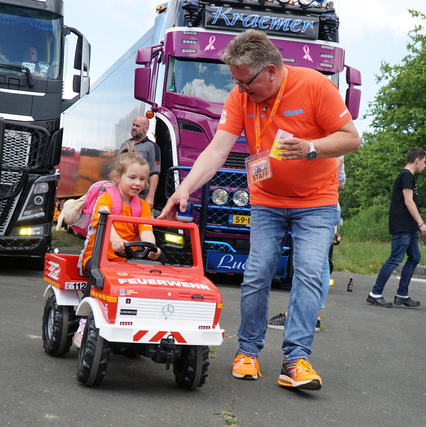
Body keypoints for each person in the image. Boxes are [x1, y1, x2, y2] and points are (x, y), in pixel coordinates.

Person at [158, 29, 360, 391]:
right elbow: (218, 150)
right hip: (267, 199)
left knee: (311, 274)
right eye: (234, 81)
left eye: (245, 81)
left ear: (271, 70)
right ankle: (247, 351)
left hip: (316, 202)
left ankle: (296, 359)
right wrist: (184, 189)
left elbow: (351, 137)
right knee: (256, 273)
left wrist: (312, 148)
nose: (239, 89)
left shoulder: (315, 86)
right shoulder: (241, 97)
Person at [74, 153, 162, 347]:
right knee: (97, 281)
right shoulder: (106, 200)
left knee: (141, 285)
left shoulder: (143, 207)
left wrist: (152, 246)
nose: (137, 183)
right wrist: (115, 240)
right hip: (98, 257)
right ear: (117, 177)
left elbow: (146, 229)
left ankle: (133, 325)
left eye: (141, 179)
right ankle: (83, 324)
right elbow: (105, 224)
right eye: (132, 178)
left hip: (125, 261)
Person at [268, 156, 346, 332]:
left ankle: (304, 315)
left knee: (310, 263)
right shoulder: (332, 143)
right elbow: (341, 182)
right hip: (325, 205)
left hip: (317, 206)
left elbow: (338, 171)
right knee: (320, 262)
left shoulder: (329, 144)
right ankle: (312, 315)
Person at [367, 147, 426, 308]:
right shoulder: (406, 176)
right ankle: (375, 293)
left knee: (414, 257)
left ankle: (402, 294)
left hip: (409, 226)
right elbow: (408, 201)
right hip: (403, 225)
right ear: (417, 160)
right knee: (395, 258)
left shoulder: (408, 177)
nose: (425, 165)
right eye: (424, 162)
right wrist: (421, 223)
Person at [119, 116, 161, 207]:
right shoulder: (125, 144)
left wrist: (150, 197)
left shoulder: (152, 146)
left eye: (137, 126)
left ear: (146, 129)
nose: (134, 127)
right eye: (133, 125)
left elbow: (154, 173)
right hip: (121, 194)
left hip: (140, 195)